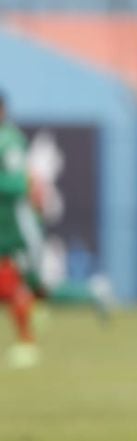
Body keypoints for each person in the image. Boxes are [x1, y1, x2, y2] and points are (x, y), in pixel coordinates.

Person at [0, 91, 40, 368]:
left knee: (19, 286)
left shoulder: (9, 140)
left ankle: (28, 343)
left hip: (13, 226)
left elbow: (19, 184)